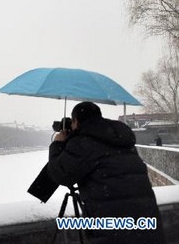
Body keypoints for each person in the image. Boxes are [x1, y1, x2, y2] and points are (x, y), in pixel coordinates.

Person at [47, 101, 165, 243]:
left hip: (114, 233)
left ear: (76, 121)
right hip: (148, 225)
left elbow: (59, 174)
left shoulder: (82, 142)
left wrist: (58, 144)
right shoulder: (120, 139)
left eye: (72, 122)